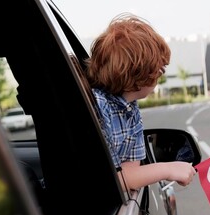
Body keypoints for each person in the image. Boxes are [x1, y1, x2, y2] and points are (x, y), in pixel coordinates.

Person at [84, 13, 196, 192]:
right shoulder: (98, 108)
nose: (161, 73)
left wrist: (171, 169)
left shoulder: (131, 110)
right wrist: (168, 169)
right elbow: (114, 180)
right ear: (137, 73)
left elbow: (130, 172)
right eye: (158, 69)